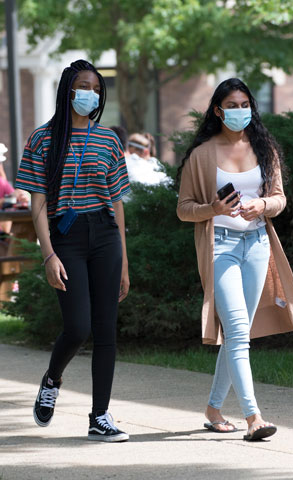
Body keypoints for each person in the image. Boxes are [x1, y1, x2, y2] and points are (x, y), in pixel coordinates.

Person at [176, 78, 293, 441]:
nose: (239, 111)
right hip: (219, 245)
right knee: (237, 330)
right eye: (231, 106)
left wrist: (261, 205)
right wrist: (213, 208)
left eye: (244, 104)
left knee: (239, 334)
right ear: (218, 110)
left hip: (257, 245)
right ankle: (254, 417)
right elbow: (184, 209)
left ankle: (213, 409)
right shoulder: (202, 154)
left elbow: (279, 198)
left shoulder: (265, 149)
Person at [15, 59, 131, 442]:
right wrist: (48, 253)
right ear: (68, 89)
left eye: (97, 88)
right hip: (65, 238)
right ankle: (52, 378)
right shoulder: (43, 138)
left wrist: (125, 262)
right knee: (78, 326)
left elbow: (117, 203)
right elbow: (38, 202)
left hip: (105, 235)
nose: (91, 94)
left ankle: (100, 416)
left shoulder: (109, 140)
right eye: (84, 86)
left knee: (105, 330)